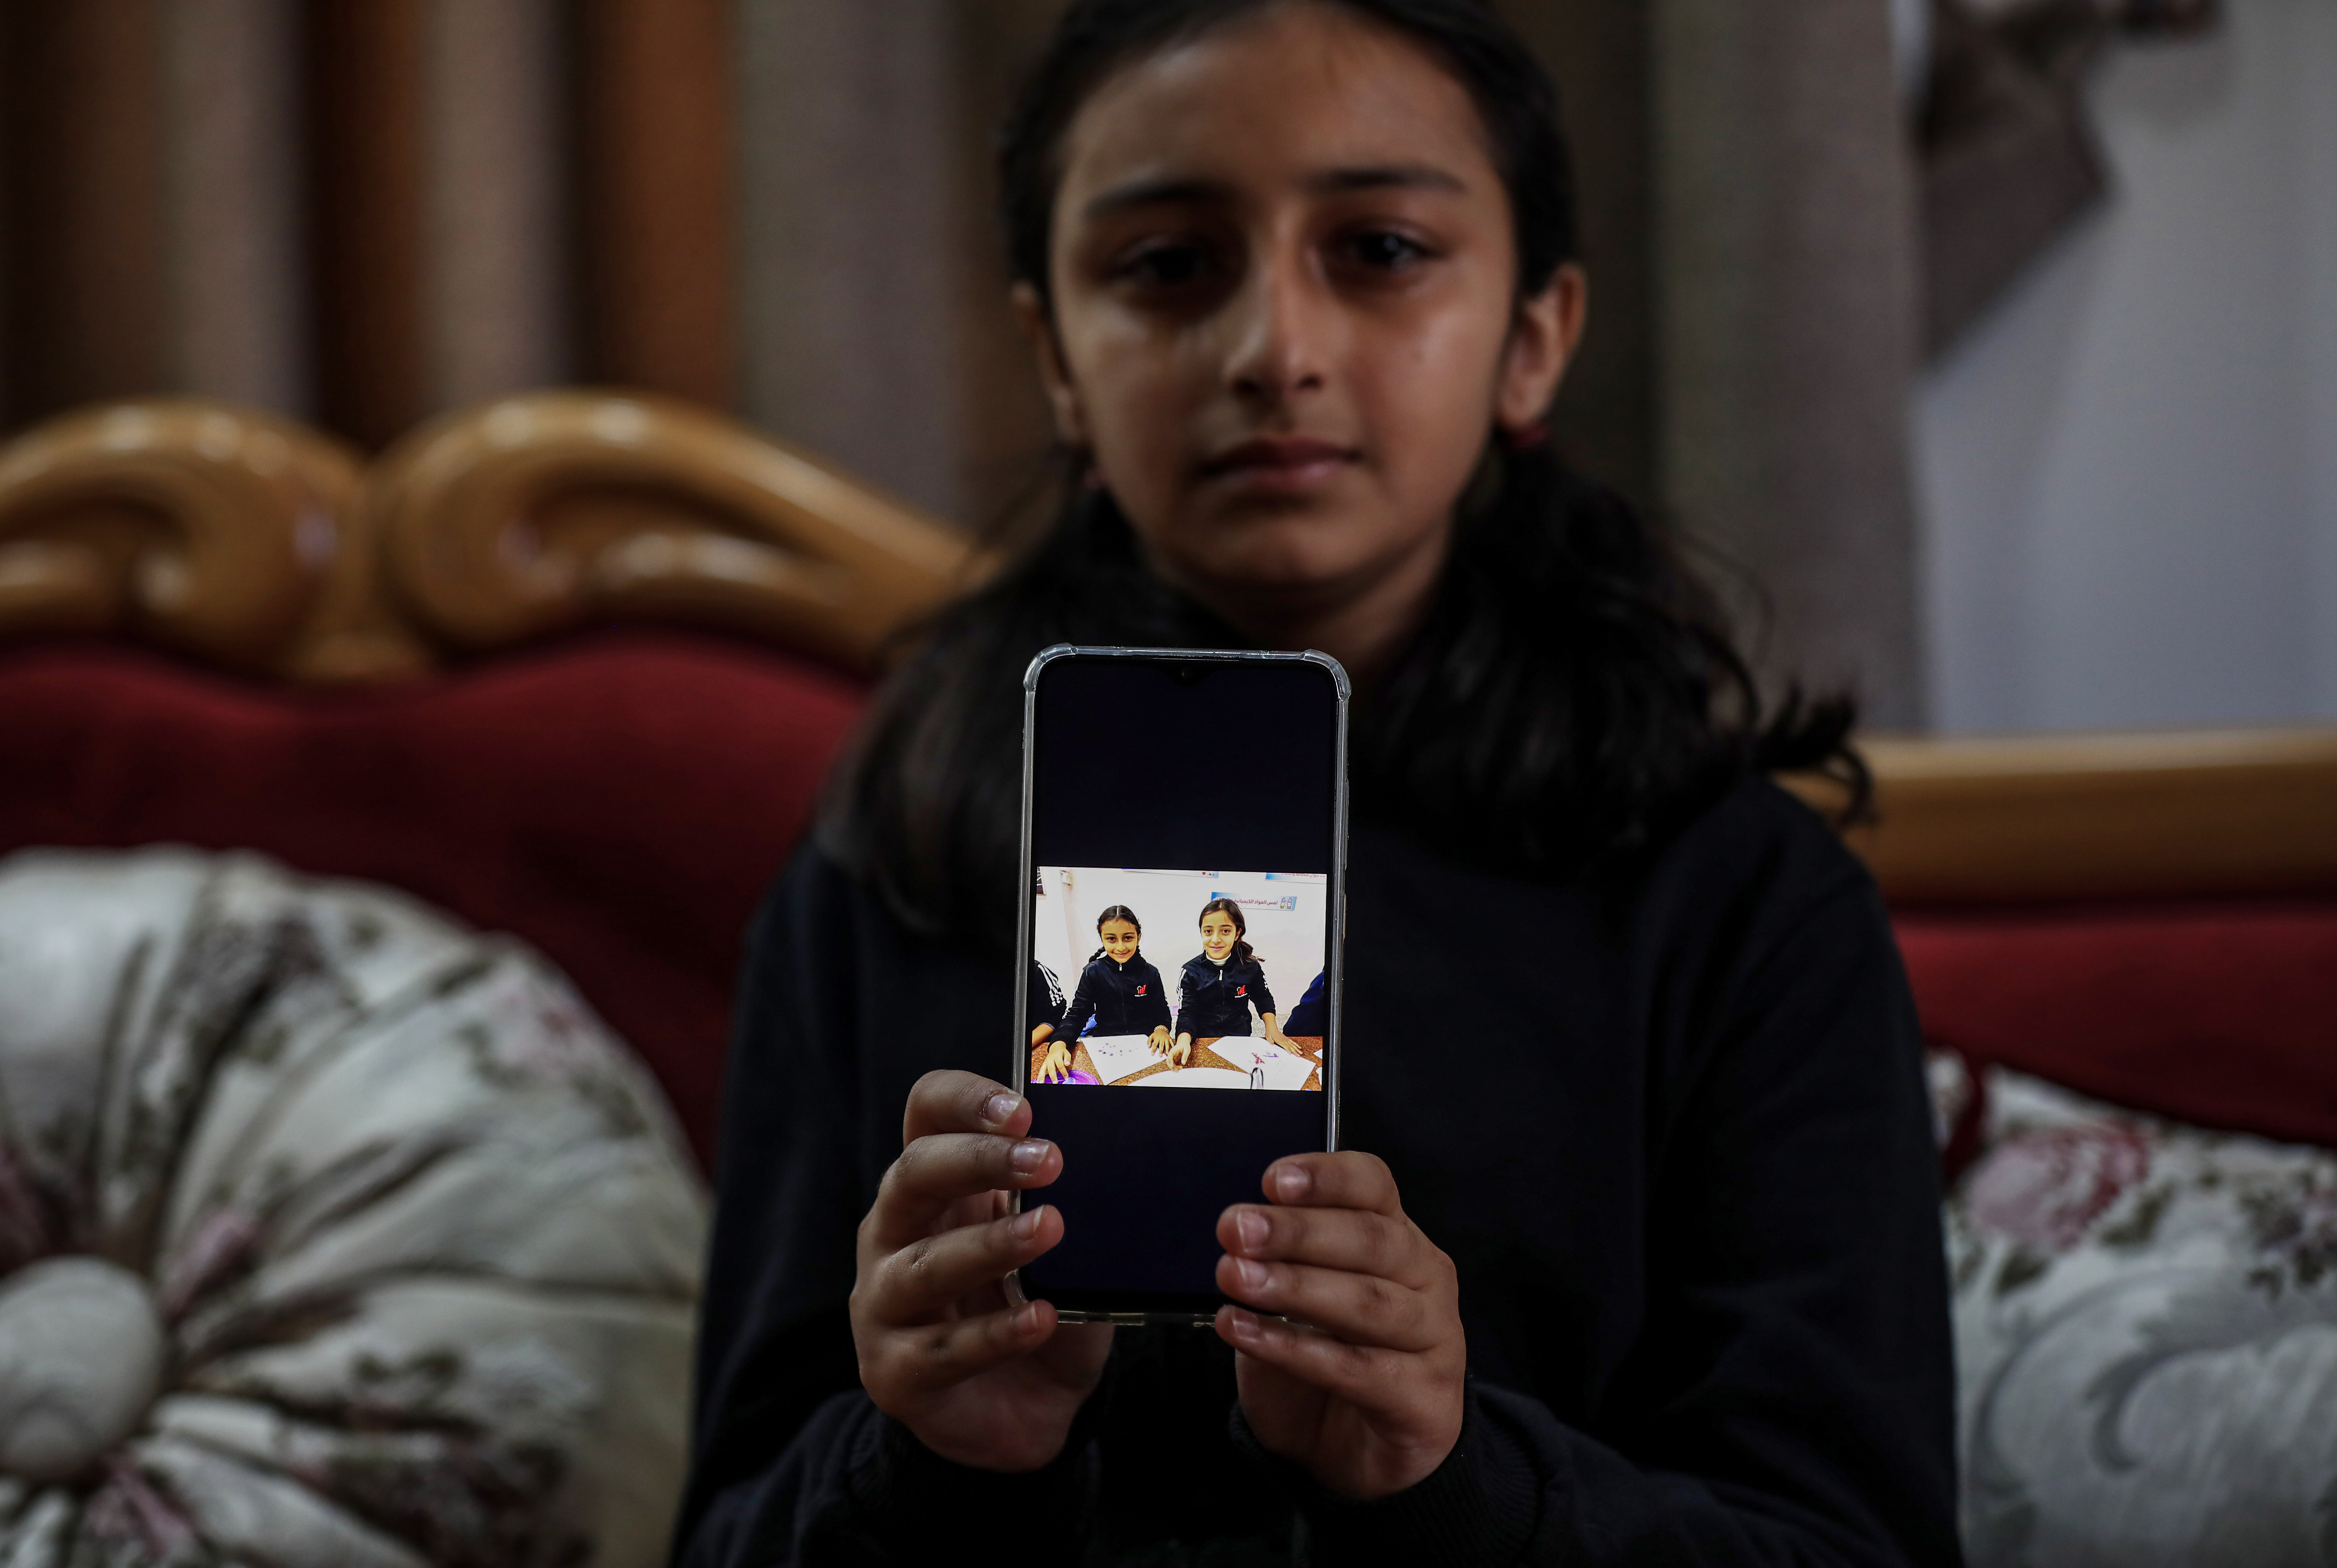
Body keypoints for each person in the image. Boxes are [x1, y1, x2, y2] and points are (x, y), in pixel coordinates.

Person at [678, 1, 1957, 1563]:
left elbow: (1852, 1540)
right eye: (1163, 266)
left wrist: (1450, 1466)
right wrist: (930, 1453)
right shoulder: (882, 876)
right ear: (1054, 359)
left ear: (1534, 333)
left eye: (1378, 251)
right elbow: (727, 1532)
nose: (1271, 350)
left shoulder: (1741, 901)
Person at [1039, 904, 1175, 1082]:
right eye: (1112, 939)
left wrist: (1162, 1030)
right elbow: (1076, 1015)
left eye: (1128, 938)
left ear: (1138, 937)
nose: (1121, 947)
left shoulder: (1151, 973)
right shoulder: (1092, 973)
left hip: (1147, 1048)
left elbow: (1162, 1013)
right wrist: (1058, 1044)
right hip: (1105, 1046)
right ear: (1102, 939)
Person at [1171, 897, 1295, 1065]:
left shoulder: (1250, 966)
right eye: (1208, 931)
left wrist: (1272, 1028)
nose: (1216, 939)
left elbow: (1263, 997)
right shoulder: (1190, 972)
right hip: (1202, 1041)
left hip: (1240, 1039)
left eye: (1225, 931)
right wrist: (1183, 1040)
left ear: (1237, 933)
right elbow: (1187, 1013)